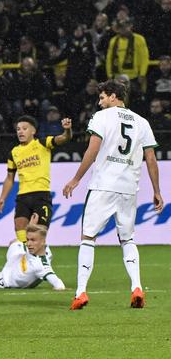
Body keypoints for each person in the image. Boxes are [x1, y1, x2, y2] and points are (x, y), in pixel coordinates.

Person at [63, 79, 164, 310]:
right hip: (129, 188)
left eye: (101, 98)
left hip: (103, 186)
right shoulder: (142, 122)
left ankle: (80, 293)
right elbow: (151, 158)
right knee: (128, 239)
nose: (99, 103)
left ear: (113, 96)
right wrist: (157, 190)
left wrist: (76, 178)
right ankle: (137, 287)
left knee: (88, 238)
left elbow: (93, 148)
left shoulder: (102, 117)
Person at [0, 115, 72, 245]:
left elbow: (64, 138)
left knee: (38, 236)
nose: (20, 131)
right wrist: (2, 198)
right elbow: (9, 178)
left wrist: (67, 130)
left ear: (33, 131)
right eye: (18, 129)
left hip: (41, 195)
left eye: (24, 128)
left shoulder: (42, 143)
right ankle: (26, 264)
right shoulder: (14, 153)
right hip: (23, 197)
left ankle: (43, 263)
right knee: (20, 235)